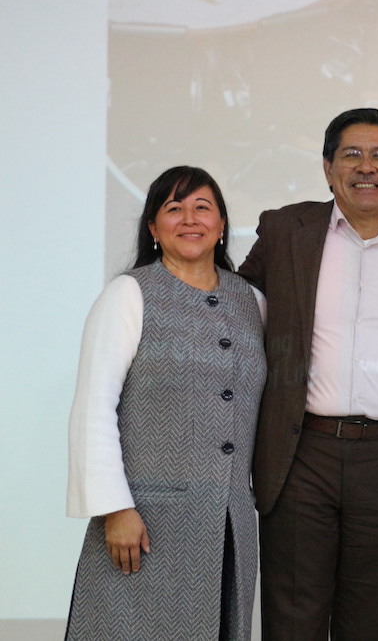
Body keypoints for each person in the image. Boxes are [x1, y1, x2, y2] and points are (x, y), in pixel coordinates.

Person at [239, 107, 378, 640]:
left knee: (369, 619)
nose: (366, 167)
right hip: (301, 451)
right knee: (293, 620)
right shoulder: (285, 231)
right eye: (351, 154)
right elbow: (234, 308)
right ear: (328, 168)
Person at [66, 166, 266, 640]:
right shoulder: (129, 293)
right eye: (174, 209)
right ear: (154, 228)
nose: (190, 219)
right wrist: (115, 509)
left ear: (221, 225)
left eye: (202, 207)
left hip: (227, 525)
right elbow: (93, 408)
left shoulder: (253, 302)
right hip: (144, 522)